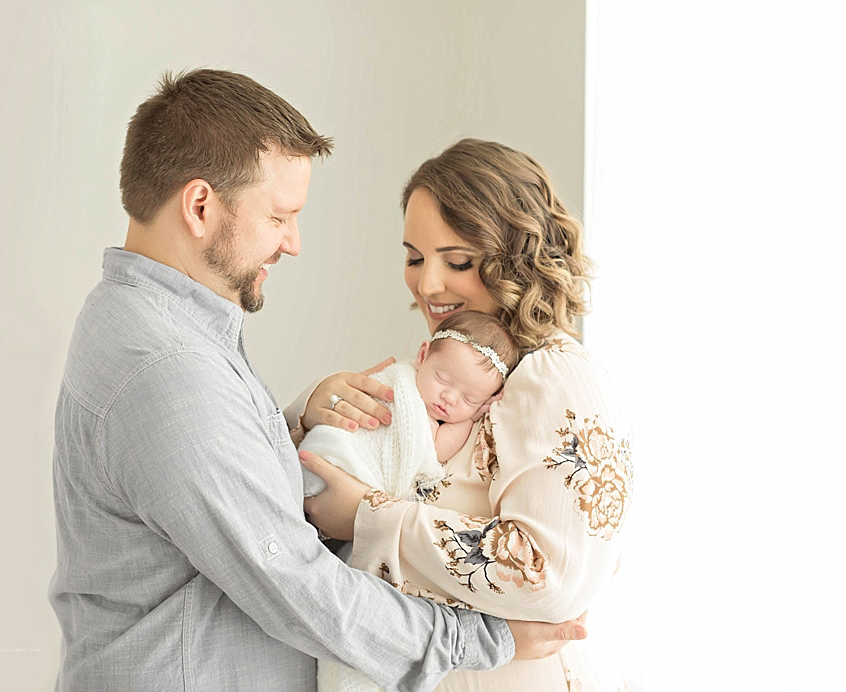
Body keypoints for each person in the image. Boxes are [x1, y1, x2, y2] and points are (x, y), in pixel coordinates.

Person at [49, 69, 582, 692]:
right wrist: (482, 638)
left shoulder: (147, 324)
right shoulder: (168, 369)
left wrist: (295, 427)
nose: (293, 243)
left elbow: (198, 505)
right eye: (280, 216)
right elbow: (290, 579)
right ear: (200, 206)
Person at [294, 138, 633, 691]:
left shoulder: (555, 377)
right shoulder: (438, 382)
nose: (427, 284)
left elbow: (549, 574)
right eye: (413, 257)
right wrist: (317, 417)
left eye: (457, 261)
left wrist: (367, 516)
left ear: (517, 259)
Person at [299, 310, 521, 501]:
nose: (450, 398)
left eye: (470, 399)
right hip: (334, 449)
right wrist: (468, 418)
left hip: (351, 486)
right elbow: (440, 449)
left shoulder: (435, 423)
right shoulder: (398, 381)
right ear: (423, 355)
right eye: (442, 378)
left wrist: (470, 419)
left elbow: (436, 449)